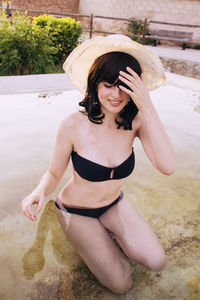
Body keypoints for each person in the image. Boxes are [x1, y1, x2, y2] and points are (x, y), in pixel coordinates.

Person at [21, 35, 176, 294]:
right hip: (76, 211)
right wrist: (38, 192)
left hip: (114, 203)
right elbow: (54, 172)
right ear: (95, 85)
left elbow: (168, 166)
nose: (116, 95)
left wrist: (146, 105)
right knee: (121, 284)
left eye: (124, 87)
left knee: (157, 262)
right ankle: (94, 240)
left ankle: (110, 236)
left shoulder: (135, 121)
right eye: (108, 85)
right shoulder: (73, 124)